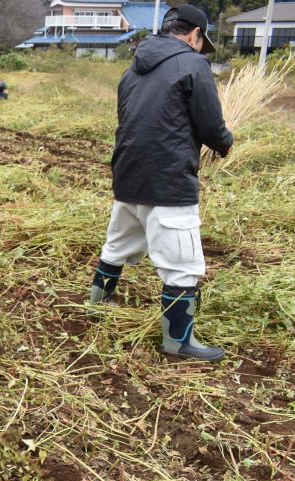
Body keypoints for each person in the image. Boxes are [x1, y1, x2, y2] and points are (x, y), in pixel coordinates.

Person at [87, 4, 232, 362]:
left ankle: (98, 305)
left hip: (128, 174)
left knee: (118, 244)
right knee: (183, 264)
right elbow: (210, 125)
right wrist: (225, 144)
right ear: (195, 35)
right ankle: (178, 342)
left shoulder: (131, 69)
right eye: (202, 41)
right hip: (167, 180)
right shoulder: (193, 64)